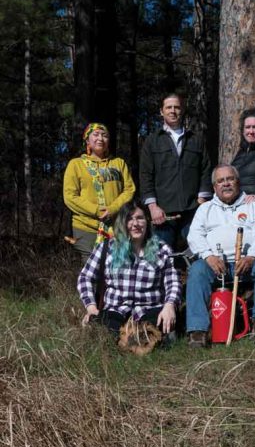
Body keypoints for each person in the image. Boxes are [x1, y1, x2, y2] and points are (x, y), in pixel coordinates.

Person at [185, 165, 255, 345]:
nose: (226, 184)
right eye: (220, 181)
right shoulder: (205, 209)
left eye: (230, 179)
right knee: (197, 270)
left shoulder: (254, 205)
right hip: (215, 264)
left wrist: (251, 256)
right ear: (214, 187)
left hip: (247, 262)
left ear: (238, 182)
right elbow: (194, 235)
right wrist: (208, 256)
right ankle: (198, 331)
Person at [77, 199, 181, 337]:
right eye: (129, 219)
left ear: (147, 221)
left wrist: (169, 306)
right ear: (123, 223)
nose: (135, 224)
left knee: (160, 329)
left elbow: (173, 282)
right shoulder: (107, 248)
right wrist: (91, 308)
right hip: (115, 311)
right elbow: (85, 277)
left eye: (140, 218)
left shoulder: (162, 250)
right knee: (100, 329)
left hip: (149, 310)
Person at [139, 93, 212, 249]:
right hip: (162, 213)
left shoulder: (196, 140)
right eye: (169, 107)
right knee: (161, 258)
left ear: (182, 110)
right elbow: (145, 176)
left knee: (198, 254)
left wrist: (202, 202)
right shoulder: (152, 141)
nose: (173, 111)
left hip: (193, 210)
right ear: (161, 111)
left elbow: (205, 170)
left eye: (177, 107)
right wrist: (153, 207)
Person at [63, 122, 136, 260]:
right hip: (86, 228)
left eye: (105, 135)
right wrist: (97, 210)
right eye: (95, 135)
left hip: (116, 226)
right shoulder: (76, 164)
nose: (100, 139)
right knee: (92, 271)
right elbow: (70, 196)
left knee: (118, 268)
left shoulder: (118, 163)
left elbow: (129, 189)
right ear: (87, 140)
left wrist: (113, 208)